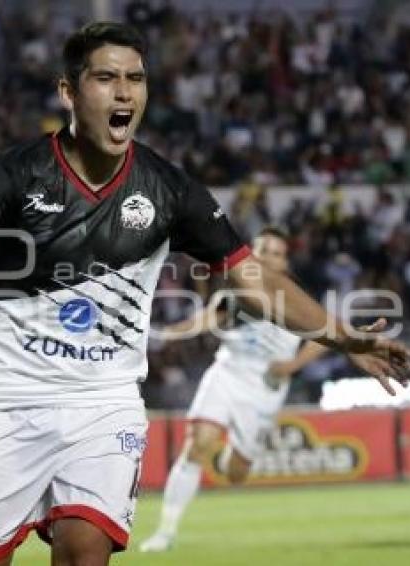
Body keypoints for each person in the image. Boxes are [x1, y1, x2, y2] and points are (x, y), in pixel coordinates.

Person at [0, 22, 410, 566]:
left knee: (86, 554)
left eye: (136, 79)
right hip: (9, 398)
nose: (125, 91)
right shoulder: (10, 172)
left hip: (105, 402)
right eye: (106, 78)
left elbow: (252, 280)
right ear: (69, 91)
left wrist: (340, 338)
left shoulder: (170, 190)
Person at [140, 227, 331, 552]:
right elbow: (207, 319)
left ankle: (238, 453)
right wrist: (167, 334)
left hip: (265, 388)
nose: (268, 257)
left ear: (285, 262)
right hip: (227, 373)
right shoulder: (235, 291)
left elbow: (324, 335)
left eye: (276, 252)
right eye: (263, 250)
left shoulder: (297, 296)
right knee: (197, 445)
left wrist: (292, 366)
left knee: (236, 473)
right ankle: (166, 532)